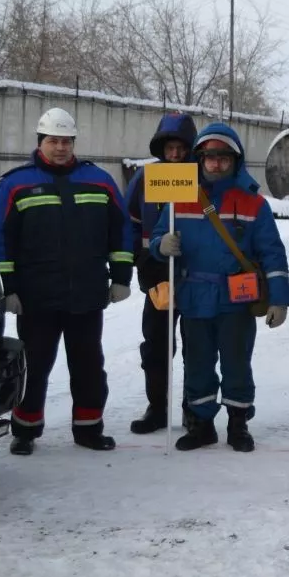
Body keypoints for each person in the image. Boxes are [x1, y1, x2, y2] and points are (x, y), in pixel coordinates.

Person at [0, 107, 135, 455]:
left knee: (88, 365)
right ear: (41, 142)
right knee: (35, 366)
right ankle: (25, 429)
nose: (61, 147)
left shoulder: (99, 180)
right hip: (36, 298)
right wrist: (8, 290)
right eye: (53, 140)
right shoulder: (14, 184)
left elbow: (121, 230)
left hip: (86, 294)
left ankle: (88, 429)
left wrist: (122, 277)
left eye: (67, 141)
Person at [149, 123, 289, 452]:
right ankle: (201, 425)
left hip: (236, 301)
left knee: (236, 363)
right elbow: (157, 237)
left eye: (223, 158)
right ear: (199, 159)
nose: (215, 164)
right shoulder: (180, 198)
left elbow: (272, 254)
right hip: (195, 297)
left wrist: (279, 299)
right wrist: (161, 245)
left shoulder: (254, 204)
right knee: (197, 363)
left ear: (235, 160)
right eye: (209, 157)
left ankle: (238, 424)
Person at [123, 112, 198, 434]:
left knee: (197, 347)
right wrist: (134, 263)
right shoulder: (144, 177)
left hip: (196, 273)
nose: (176, 154)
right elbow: (130, 223)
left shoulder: (201, 177)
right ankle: (157, 407)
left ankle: (194, 409)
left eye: (181, 148)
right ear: (160, 148)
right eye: (170, 148)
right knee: (156, 346)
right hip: (157, 273)